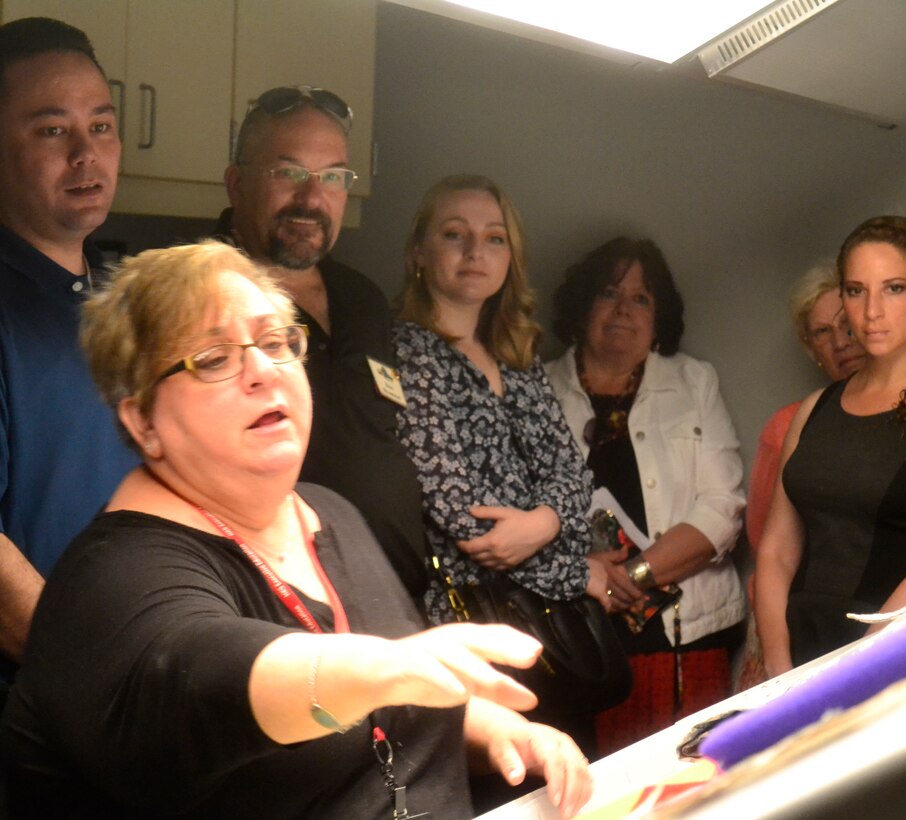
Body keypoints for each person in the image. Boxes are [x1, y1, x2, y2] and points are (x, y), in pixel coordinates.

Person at [0, 241, 592, 819]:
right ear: (142, 420)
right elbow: (213, 682)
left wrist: (499, 731)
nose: (262, 369)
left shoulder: (328, 512)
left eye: (277, 342)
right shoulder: (111, 580)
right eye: (213, 359)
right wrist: (387, 667)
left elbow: (393, 707)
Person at [392, 175, 611, 764]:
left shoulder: (517, 356)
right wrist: (575, 568)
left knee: (576, 783)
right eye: (455, 235)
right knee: (509, 788)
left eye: (493, 239)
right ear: (419, 251)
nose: (474, 253)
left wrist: (541, 522)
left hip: (556, 637)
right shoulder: (405, 354)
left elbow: (573, 476)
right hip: (477, 632)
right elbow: (466, 522)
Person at [755, 216, 906, 676]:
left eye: (893, 288)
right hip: (797, 650)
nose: (871, 311)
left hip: (897, 654)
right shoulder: (814, 409)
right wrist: (778, 664)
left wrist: (848, 674)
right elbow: (775, 553)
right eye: (855, 290)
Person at [217, 85, 430, 602]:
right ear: (237, 184)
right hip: (281, 608)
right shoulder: (203, 299)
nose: (312, 199)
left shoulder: (362, 298)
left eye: (333, 177)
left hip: (396, 596)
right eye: (288, 173)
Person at [546, 237, 746, 757]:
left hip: (690, 638)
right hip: (582, 644)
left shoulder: (694, 381)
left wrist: (632, 578)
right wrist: (585, 576)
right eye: (609, 293)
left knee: (700, 793)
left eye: (641, 299)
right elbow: (523, 518)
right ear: (582, 305)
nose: (623, 311)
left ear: (659, 316)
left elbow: (722, 507)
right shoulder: (535, 390)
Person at [0, 17, 137, 672]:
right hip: (45, 696)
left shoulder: (125, 298)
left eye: (101, 126)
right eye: (52, 130)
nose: (86, 153)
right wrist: (83, 675)